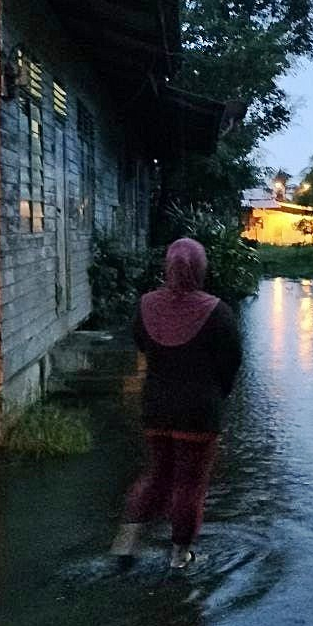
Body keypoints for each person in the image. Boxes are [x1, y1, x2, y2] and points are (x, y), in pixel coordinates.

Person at [111, 238, 242, 568]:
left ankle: (125, 545)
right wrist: (216, 396)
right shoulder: (218, 312)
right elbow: (231, 363)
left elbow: (143, 346)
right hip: (199, 412)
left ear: (167, 267)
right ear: (201, 269)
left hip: (155, 407)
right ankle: (180, 556)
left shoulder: (146, 306)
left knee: (157, 475)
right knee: (189, 484)